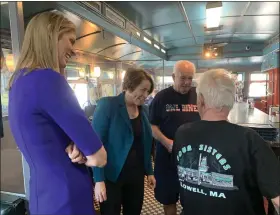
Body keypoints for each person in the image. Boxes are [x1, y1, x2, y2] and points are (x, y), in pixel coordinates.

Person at [8, 12, 107, 215]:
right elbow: (99, 157)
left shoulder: (18, 82)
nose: (74, 50)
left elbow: (47, 137)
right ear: (52, 34)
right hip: (67, 194)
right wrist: (86, 153)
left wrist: (77, 147)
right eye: (70, 40)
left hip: (42, 194)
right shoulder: (49, 80)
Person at [172, 68, 280, 215]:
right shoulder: (249, 139)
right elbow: (277, 198)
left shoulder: (182, 133)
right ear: (231, 101)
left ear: (201, 99)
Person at [92, 68, 156, 215]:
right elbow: (95, 144)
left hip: (136, 175)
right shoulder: (108, 105)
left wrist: (150, 171)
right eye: (143, 90)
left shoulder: (144, 110)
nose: (146, 95)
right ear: (130, 85)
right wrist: (99, 180)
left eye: (148, 91)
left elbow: (145, 144)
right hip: (112, 175)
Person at [149, 60, 201, 215]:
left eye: (190, 78)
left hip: (193, 159)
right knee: (168, 198)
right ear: (173, 76)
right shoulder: (161, 97)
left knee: (193, 199)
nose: (187, 83)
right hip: (167, 158)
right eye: (182, 78)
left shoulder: (199, 96)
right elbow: (151, 126)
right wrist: (167, 143)